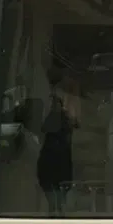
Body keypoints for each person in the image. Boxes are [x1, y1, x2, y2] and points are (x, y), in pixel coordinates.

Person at [36, 69, 83, 214]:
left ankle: (58, 209)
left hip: (62, 154)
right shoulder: (50, 111)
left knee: (60, 186)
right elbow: (45, 127)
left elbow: (75, 122)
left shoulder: (67, 115)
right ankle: (54, 209)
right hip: (52, 153)